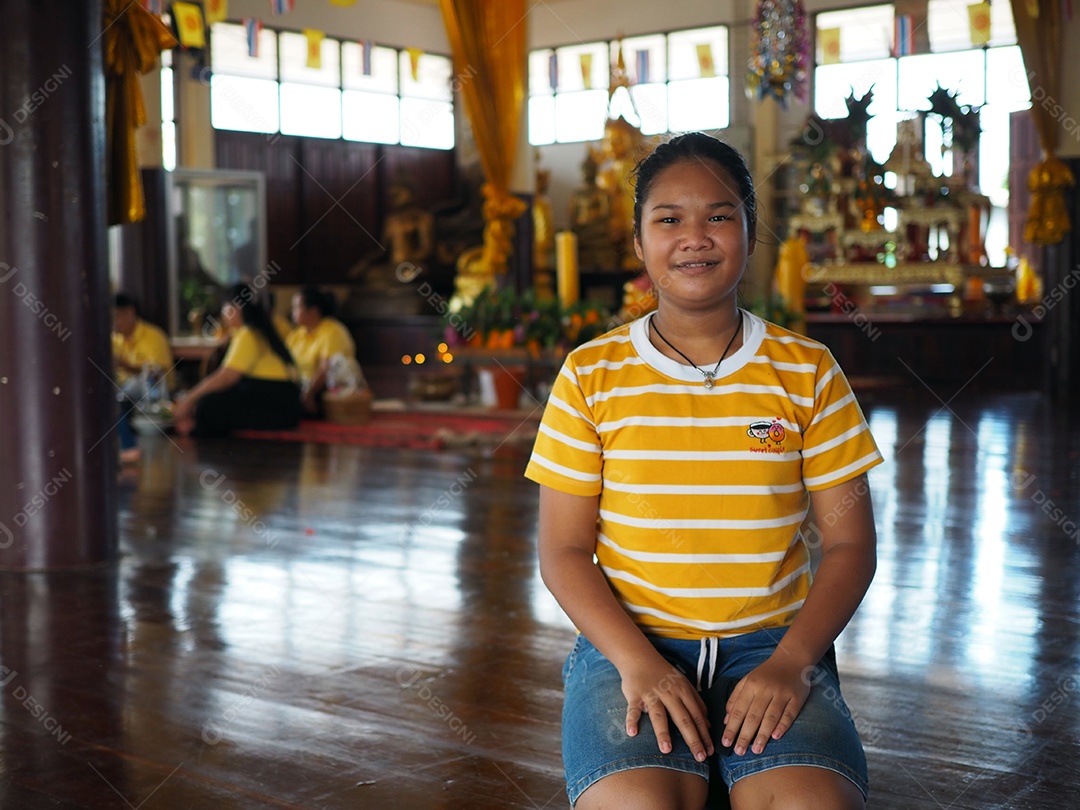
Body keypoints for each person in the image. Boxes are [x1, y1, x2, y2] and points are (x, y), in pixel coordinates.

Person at [526, 133, 882, 810]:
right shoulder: (590, 376)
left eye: (719, 215)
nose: (695, 236)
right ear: (638, 243)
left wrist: (789, 663)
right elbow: (564, 552)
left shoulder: (808, 371)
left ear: (750, 232)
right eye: (668, 219)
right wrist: (637, 664)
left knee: (814, 806)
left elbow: (850, 545)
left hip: (775, 644)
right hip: (628, 644)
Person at [172, 283, 302, 438]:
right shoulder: (259, 331)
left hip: (275, 402)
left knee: (207, 406)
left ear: (236, 308)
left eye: (225, 308)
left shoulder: (247, 334)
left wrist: (189, 399)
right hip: (288, 403)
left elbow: (226, 377)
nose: (224, 315)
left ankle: (191, 428)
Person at [112, 293, 174, 464]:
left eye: (116, 317)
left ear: (130, 313)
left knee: (122, 395)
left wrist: (126, 366)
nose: (114, 323)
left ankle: (128, 446)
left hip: (153, 390)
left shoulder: (153, 335)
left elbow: (156, 374)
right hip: (125, 388)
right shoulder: (115, 339)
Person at [286, 285, 357, 416]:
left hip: (322, 389)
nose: (292, 312)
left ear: (313, 311)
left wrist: (308, 394)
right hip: (300, 385)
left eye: (296, 307)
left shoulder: (332, 330)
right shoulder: (297, 335)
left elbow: (325, 369)